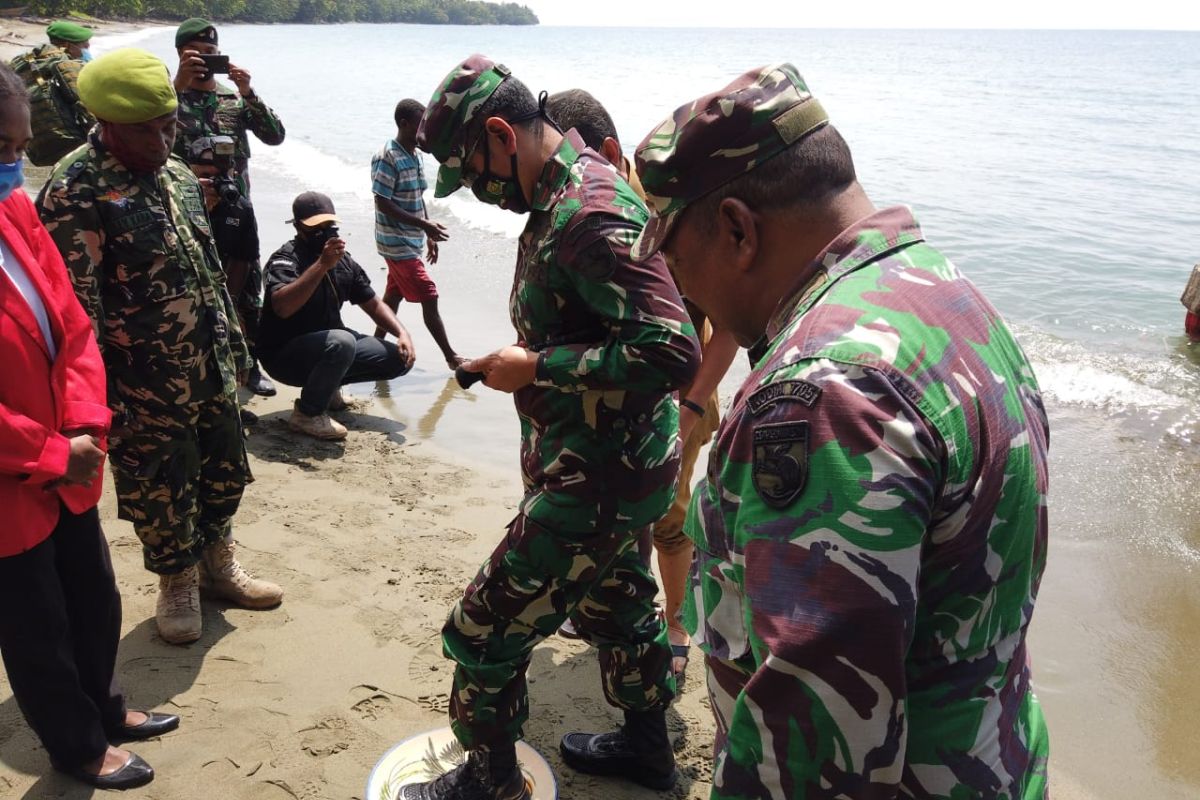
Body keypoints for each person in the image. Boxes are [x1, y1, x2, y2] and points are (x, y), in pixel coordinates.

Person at [632, 63, 1051, 799]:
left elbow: (816, 749)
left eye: (673, 255)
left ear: (736, 229)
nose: (678, 287)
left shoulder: (823, 395)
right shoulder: (944, 293)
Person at [404, 55, 701, 800]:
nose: (474, 188)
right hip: (603, 466)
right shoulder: (557, 198)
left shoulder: (588, 211)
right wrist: (528, 364)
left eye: (471, 170)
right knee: (621, 605)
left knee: (482, 629)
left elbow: (672, 351)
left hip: (599, 476)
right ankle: (646, 751)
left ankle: (491, 781)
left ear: (501, 133)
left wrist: (539, 367)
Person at [36, 48, 284, 647]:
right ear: (107, 123)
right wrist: (96, 404)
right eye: (146, 130)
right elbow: (76, 314)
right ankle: (176, 580)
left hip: (209, 362)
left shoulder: (176, 176)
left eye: (169, 124)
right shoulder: (76, 190)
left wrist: (238, 348)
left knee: (224, 467)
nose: (162, 140)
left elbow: (207, 269)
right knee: (160, 484)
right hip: (141, 381)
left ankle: (218, 563)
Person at [0, 60, 178, 790]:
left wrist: (83, 424)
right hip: (15, 478)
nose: (15, 163)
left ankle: (104, 707)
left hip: (68, 454)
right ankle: (75, 744)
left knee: (93, 594)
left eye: (18, 145)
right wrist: (47, 450)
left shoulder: (13, 210)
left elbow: (70, 322)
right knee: (35, 622)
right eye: (3, 149)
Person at [545, 88, 739, 683]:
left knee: (669, 522)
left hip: (683, 397)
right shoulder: (581, 211)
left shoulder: (667, 213)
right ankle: (623, 616)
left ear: (605, 151)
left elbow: (728, 324)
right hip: (617, 402)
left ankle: (675, 625)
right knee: (617, 519)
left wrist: (692, 405)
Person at [258, 191, 416, 441]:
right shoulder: (285, 259)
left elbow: (372, 303)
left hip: (329, 346)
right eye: (315, 228)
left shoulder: (344, 262)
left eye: (328, 226)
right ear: (298, 227)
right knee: (342, 341)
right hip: (285, 355)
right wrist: (321, 265)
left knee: (398, 358)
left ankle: (327, 390)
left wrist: (402, 333)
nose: (324, 233)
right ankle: (308, 414)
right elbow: (282, 307)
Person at [184, 134, 275, 403]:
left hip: (228, 273)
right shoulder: (174, 203)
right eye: (207, 175)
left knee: (250, 306)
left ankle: (248, 367)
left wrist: (229, 302)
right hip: (185, 278)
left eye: (222, 175)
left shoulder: (240, 208)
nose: (216, 182)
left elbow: (244, 258)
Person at [373, 98, 462, 369]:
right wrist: (424, 226)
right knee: (429, 294)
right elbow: (382, 202)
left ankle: (375, 347)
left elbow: (417, 197)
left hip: (410, 240)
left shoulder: (416, 155)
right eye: (420, 125)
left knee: (393, 296)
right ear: (404, 124)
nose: (426, 131)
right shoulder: (388, 156)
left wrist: (429, 234)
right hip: (394, 241)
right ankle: (451, 357)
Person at [171, 18, 285, 199]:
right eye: (195, 51)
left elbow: (275, 136)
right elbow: (143, 141)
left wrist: (248, 93)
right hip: (183, 205)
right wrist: (177, 86)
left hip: (234, 206)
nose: (203, 57)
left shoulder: (236, 100)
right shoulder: (167, 99)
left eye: (209, 52)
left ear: (219, 55)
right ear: (180, 54)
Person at [7, 20, 96, 167]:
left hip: (35, 144)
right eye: (85, 46)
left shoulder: (26, 62)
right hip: (71, 141)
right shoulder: (68, 65)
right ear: (67, 45)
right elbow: (85, 104)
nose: (87, 50)